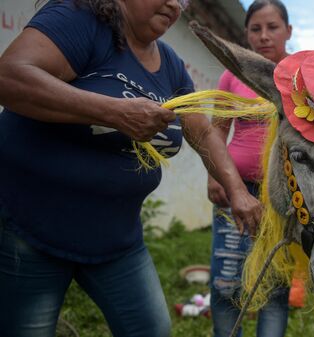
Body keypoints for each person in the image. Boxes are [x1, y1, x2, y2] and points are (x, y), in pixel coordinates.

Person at [0, 1, 261, 336]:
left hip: (117, 241)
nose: (174, 5)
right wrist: (113, 112)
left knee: (151, 329)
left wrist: (237, 190)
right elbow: (9, 75)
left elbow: (203, 131)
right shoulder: (80, 20)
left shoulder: (170, 65)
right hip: (33, 232)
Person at [206, 1, 292, 337]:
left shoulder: (298, 76)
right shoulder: (232, 74)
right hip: (236, 189)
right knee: (227, 280)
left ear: (288, 31)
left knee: (274, 283)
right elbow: (216, 129)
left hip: (283, 196)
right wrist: (214, 175)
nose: (264, 36)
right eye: (255, 29)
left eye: (272, 27)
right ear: (246, 34)